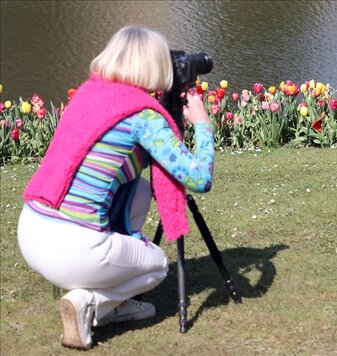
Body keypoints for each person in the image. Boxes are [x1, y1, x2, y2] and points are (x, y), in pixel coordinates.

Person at [17, 25, 214, 350]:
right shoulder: (142, 116)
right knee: (157, 266)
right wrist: (202, 125)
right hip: (71, 249)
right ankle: (89, 302)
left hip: (33, 230)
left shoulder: (89, 93)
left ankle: (110, 295)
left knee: (136, 191)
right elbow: (198, 178)